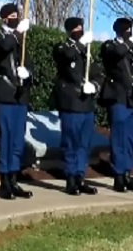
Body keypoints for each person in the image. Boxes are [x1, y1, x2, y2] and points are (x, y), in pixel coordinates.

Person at [0, 3, 34, 200]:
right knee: (7, 137)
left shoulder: (22, 38)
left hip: (20, 94)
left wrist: (28, 73)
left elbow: (27, 61)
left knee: (18, 140)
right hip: (4, 92)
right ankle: (4, 182)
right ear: (4, 18)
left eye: (17, 15)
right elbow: (3, 48)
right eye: (12, 15)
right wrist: (16, 35)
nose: (16, 18)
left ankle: (14, 179)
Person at [50, 17, 101, 195]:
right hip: (71, 103)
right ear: (70, 30)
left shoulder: (86, 52)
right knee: (71, 142)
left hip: (86, 104)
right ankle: (70, 179)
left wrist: (94, 85)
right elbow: (67, 56)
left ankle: (80, 177)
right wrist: (80, 45)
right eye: (77, 28)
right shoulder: (62, 48)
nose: (80, 30)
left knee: (84, 144)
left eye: (82, 27)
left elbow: (97, 72)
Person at [99, 17, 133, 192]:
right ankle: (118, 176)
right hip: (117, 96)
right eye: (126, 29)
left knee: (129, 138)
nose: (129, 31)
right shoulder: (110, 46)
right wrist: (128, 43)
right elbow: (117, 52)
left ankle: (127, 173)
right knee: (119, 137)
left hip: (131, 98)